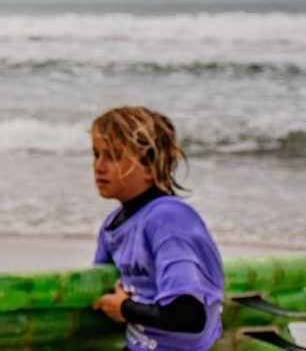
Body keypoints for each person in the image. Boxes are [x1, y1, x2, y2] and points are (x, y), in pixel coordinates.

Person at [90, 106, 224, 351]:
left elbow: (190, 316)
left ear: (150, 167)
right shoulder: (112, 225)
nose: (99, 166)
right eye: (96, 154)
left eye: (114, 156)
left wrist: (125, 309)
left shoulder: (168, 219)